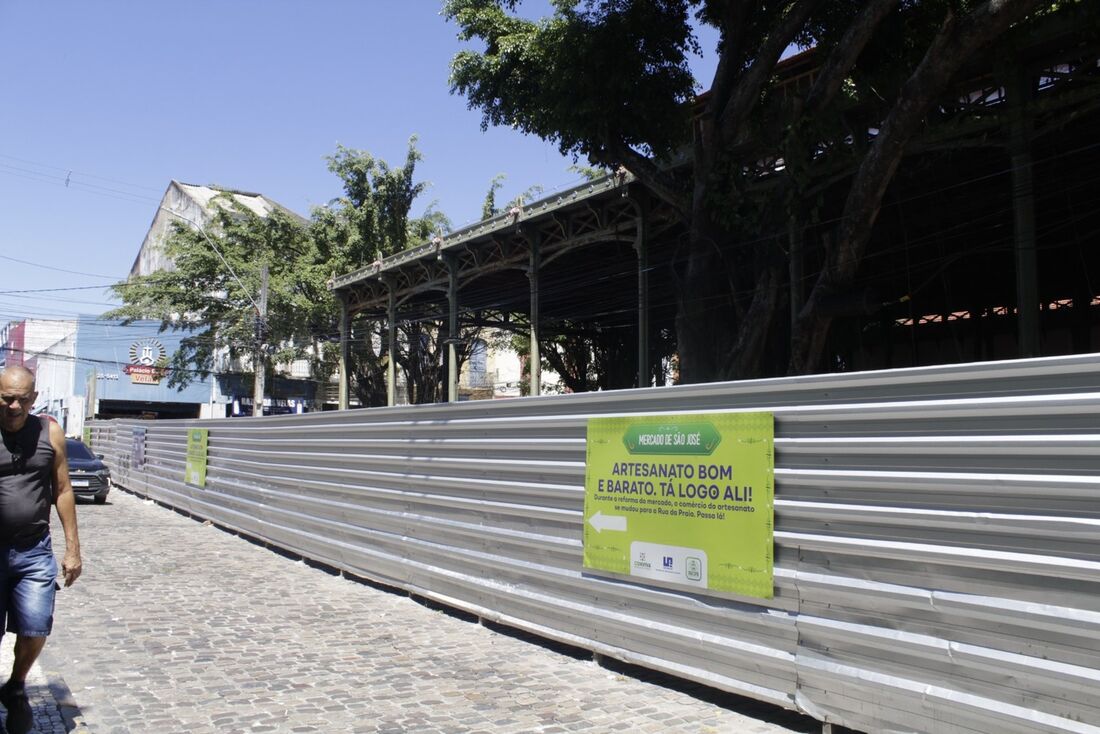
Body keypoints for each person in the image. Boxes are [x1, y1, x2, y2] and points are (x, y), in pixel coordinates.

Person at [0, 365, 82, 734]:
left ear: (34, 399)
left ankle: (16, 686)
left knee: (36, 627)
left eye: (21, 399)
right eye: (6, 398)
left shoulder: (50, 431)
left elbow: (63, 489)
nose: (14, 406)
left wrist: (73, 549)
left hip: (34, 550)